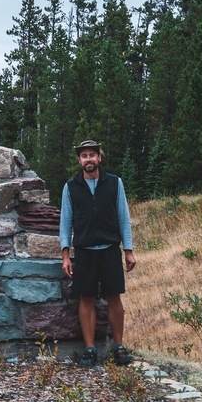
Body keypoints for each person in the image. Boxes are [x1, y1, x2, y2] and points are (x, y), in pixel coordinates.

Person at [60, 140, 137, 367]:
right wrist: (66, 255)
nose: (88, 159)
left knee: (114, 297)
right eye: (84, 156)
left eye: (92, 155)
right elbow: (65, 222)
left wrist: (129, 251)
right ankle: (90, 349)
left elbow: (123, 218)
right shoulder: (71, 187)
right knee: (86, 298)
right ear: (79, 160)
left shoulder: (114, 183)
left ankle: (119, 347)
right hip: (85, 251)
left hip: (110, 250)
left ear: (99, 158)